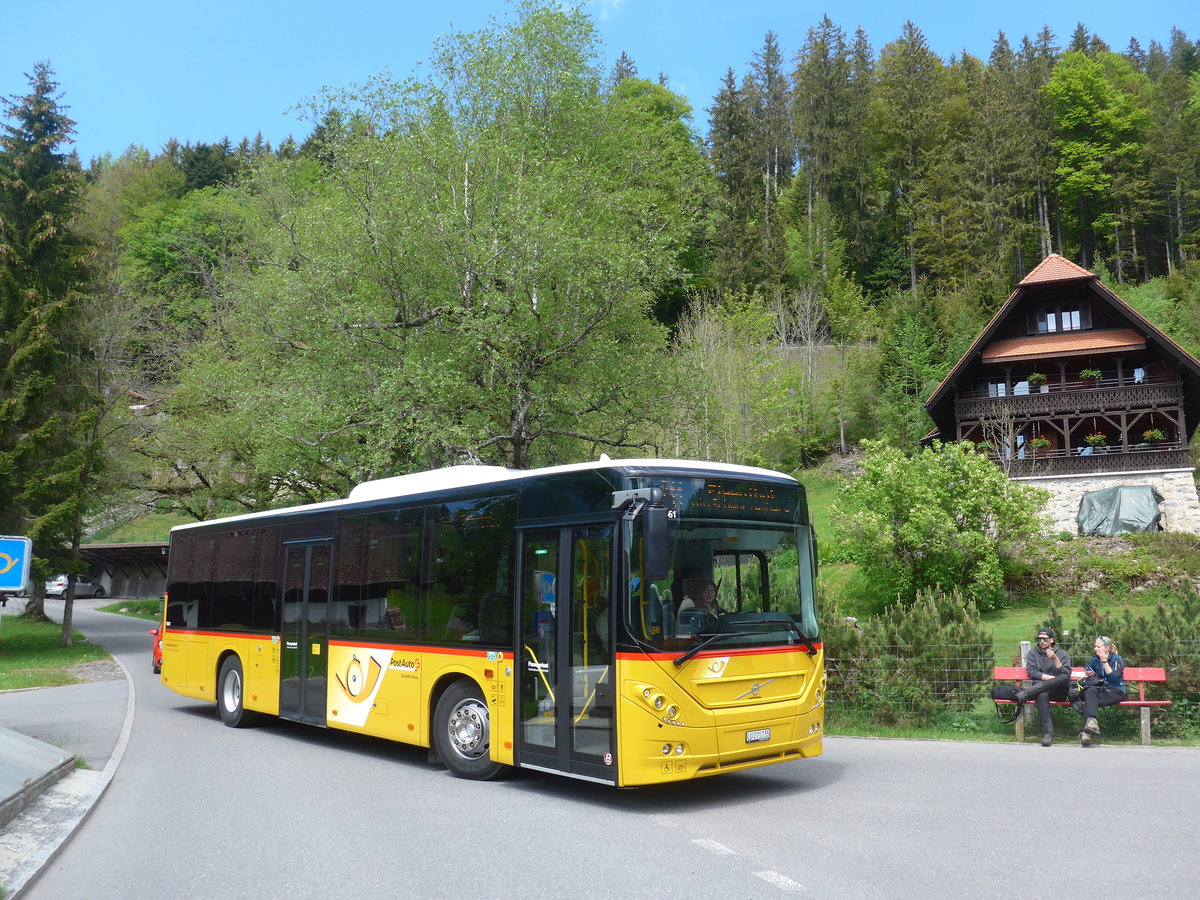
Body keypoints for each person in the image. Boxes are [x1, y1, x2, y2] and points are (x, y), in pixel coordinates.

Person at [1017, 627, 1072, 746]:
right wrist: (1054, 679)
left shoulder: (1062, 654)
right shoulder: (1033, 654)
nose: (1042, 641)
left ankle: (1029, 692)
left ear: (1051, 640)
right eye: (1039, 639)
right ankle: (1047, 734)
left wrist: (1055, 660)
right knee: (1042, 694)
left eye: (1045, 639)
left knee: (1063, 678)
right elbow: (1032, 673)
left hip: (1059, 691)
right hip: (1042, 689)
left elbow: (1066, 674)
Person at [1073, 635, 1126, 747]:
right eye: (1095, 646)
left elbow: (1114, 678)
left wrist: (1105, 662)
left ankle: (1085, 733)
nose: (1095, 649)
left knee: (1090, 700)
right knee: (1090, 692)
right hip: (1100, 689)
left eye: (1098, 646)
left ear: (1107, 648)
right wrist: (1092, 675)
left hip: (1116, 690)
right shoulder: (1094, 660)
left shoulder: (1117, 659)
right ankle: (1092, 723)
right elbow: (1093, 679)